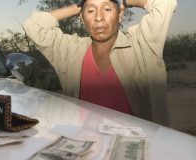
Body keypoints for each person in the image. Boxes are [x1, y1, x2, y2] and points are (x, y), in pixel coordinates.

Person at [23, 0, 177, 125]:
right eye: (91, 11)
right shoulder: (71, 51)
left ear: (120, 15)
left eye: (107, 9)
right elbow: (34, 26)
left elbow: (165, 3)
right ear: (82, 19)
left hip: (139, 145)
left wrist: (125, 1)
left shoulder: (140, 44)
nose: (99, 17)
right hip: (86, 147)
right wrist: (79, 6)